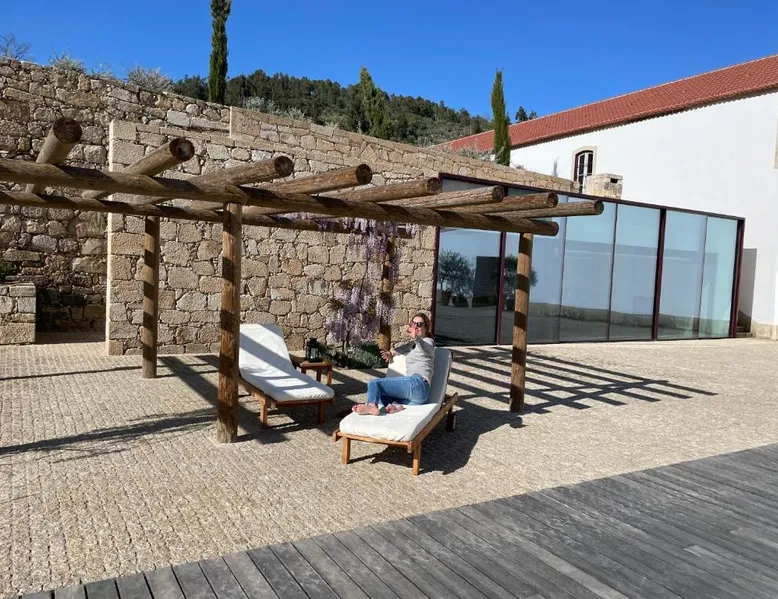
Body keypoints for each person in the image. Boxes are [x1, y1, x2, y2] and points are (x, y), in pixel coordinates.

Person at [352, 312, 435, 415]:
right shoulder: (413, 345)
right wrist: (390, 353)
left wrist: (416, 338)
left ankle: (371, 406)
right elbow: (402, 349)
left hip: (419, 383)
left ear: (426, 328)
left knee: (374, 383)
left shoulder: (428, 341)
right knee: (380, 393)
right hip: (418, 399)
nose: (416, 327)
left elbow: (427, 348)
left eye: (419, 324)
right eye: (413, 324)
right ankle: (395, 406)